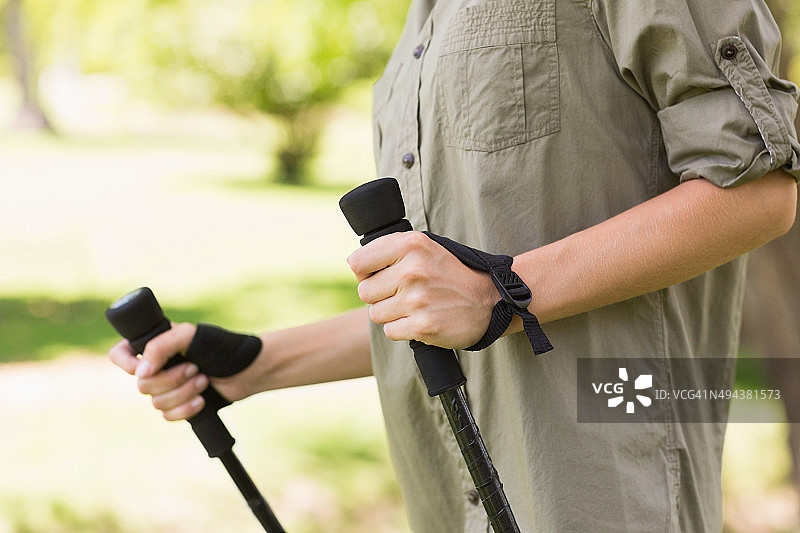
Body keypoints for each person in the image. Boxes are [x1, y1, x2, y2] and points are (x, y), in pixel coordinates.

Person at [110, 0, 800, 531]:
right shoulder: (423, 18)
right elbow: (448, 305)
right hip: (448, 495)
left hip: (603, 490)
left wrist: (501, 293)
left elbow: (757, 192)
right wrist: (260, 363)